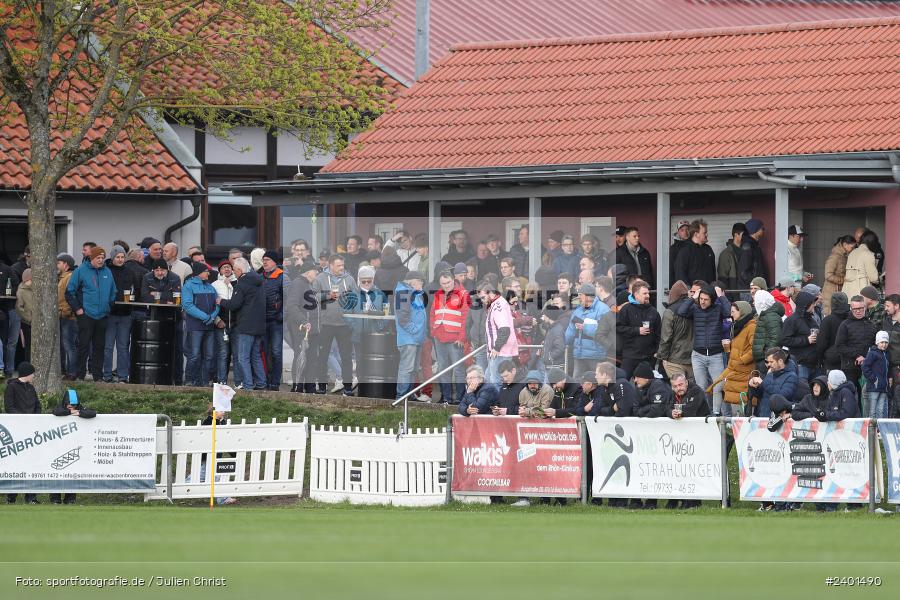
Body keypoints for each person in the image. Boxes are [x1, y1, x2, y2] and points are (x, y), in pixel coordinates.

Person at [675, 283, 731, 413]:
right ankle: (705, 414)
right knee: (701, 388)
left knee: (718, 387)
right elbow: (681, 311)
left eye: (706, 300)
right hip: (698, 354)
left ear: (712, 300)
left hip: (716, 354)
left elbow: (728, 312)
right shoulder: (695, 308)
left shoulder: (718, 308)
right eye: (701, 299)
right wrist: (692, 298)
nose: (703, 302)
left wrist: (721, 296)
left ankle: (717, 415)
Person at [65, 246, 116, 382]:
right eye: (97, 258)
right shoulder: (81, 270)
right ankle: (80, 375)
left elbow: (113, 292)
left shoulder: (107, 272)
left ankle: (97, 376)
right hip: (86, 314)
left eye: (102, 258)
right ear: (91, 258)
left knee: (100, 347)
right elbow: (70, 292)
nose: (100, 260)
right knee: (83, 346)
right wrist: (78, 310)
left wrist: (108, 307)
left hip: (102, 315)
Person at [311, 255, 358, 396]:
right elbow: (312, 297)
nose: (342, 268)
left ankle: (348, 388)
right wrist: (327, 295)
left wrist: (353, 317)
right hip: (326, 324)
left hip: (345, 324)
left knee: (346, 357)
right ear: (331, 265)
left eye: (342, 265)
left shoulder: (349, 279)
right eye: (339, 266)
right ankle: (322, 387)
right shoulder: (320, 278)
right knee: (323, 357)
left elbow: (356, 298)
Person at [219, 257, 267, 390]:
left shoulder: (242, 284)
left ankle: (248, 386)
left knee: (242, 357)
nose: (233, 272)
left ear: (240, 270)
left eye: (234, 270)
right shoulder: (259, 281)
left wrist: (220, 301)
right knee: (256, 356)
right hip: (259, 325)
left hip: (246, 326)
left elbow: (234, 304)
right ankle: (262, 384)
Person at [48, 388, 96, 505]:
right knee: (57, 474)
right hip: (58, 446)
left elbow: (92, 413)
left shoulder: (79, 409)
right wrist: (71, 413)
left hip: (73, 446)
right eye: (69, 405)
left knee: (73, 474)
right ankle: (55, 498)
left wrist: (78, 412)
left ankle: (70, 498)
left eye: (73, 405)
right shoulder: (60, 408)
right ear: (65, 403)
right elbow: (57, 412)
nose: (71, 406)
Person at [707, 300, 756, 416]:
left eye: (733, 312)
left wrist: (742, 360)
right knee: (717, 387)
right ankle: (717, 415)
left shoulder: (751, 327)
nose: (731, 314)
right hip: (733, 367)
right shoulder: (737, 326)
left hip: (743, 370)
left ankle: (729, 419)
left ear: (742, 312)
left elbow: (754, 349)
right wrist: (728, 347)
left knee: (739, 398)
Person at [4, 362, 41, 504]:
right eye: (32, 374)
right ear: (27, 374)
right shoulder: (11, 387)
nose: (33, 376)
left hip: (32, 433)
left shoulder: (31, 388)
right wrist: (23, 420)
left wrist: (35, 419)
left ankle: (31, 497)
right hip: (16, 432)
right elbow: (9, 407)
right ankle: (11, 496)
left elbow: (38, 405)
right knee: (16, 465)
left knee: (32, 465)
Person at [430, 271, 470, 404]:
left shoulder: (463, 294)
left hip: (455, 337)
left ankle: (460, 397)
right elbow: (433, 313)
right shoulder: (438, 294)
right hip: (439, 336)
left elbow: (466, 318)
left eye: (448, 282)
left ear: (453, 280)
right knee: (443, 368)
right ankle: (445, 397)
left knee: (458, 368)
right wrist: (433, 330)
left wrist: (462, 337)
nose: (446, 285)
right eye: (443, 283)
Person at [103, 246, 140, 383]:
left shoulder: (130, 272)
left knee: (123, 346)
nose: (120, 259)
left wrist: (133, 298)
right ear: (112, 258)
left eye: (122, 257)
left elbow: (136, 289)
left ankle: (123, 376)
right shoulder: (106, 271)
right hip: (110, 313)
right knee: (108, 346)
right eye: (117, 257)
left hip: (126, 313)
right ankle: (107, 375)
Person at [182, 262, 220, 388]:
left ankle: (204, 381)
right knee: (194, 355)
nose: (208, 273)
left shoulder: (210, 286)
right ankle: (189, 380)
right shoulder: (188, 286)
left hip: (209, 325)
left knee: (209, 355)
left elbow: (217, 303)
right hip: (195, 326)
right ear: (199, 273)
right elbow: (187, 305)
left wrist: (213, 316)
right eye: (206, 271)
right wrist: (206, 317)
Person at [284, 260, 320, 393]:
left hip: (314, 330)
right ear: (308, 271)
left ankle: (310, 388)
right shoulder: (298, 283)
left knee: (311, 359)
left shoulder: (310, 285)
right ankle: (297, 387)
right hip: (302, 330)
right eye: (315, 270)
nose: (317, 272)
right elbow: (292, 306)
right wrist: (303, 321)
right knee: (301, 357)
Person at [564, 283, 611, 376]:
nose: (578, 298)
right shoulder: (577, 311)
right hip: (579, 355)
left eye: (580, 295)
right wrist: (563, 342)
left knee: (597, 382)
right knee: (577, 382)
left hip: (596, 355)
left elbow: (605, 332)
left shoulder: (603, 309)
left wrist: (585, 327)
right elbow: (570, 332)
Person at [616, 281, 660, 378]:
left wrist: (657, 351)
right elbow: (618, 328)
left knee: (646, 386)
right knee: (622, 381)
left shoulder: (653, 312)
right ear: (636, 294)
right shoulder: (626, 309)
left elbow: (658, 334)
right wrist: (637, 330)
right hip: (631, 355)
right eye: (644, 293)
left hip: (648, 357)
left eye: (648, 293)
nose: (648, 295)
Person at [394, 271, 427, 400]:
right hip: (409, 339)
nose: (422, 284)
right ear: (412, 281)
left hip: (415, 338)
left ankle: (409, 395)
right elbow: (403, 318)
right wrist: (414, 330)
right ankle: (402, 396)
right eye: (421, 282)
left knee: (413, 369)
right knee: (406, 368)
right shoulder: (403, 292)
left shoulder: (413, 292)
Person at [835, 295, 876, 397]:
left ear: (865, 308)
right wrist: (857, 355)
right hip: (850, 367)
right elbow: (839, 346)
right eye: (855, 309)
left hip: (868, 367)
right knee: (851, 396)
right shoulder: (845, 325)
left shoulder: (871, 324)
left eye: (860, 308)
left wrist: (867, 357)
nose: (858, 311)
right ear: (851, 308)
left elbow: (875, 345)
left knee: (868, 397)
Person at [481, 281, 519, 384]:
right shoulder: (497, 303)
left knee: (495, 381)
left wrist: (496, 347)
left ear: (490, 293)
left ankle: (498, 400)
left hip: (500, 351)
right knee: (489, 379)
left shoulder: (498, 305)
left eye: (483, 297)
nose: (482, 301)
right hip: (499, 350)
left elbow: (504, 329)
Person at [779, 291, 819, 382]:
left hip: (814, 364)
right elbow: (784, 340)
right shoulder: (791, 320)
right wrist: (806, 340)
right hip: (800, 364)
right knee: (803, 391)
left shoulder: (811, 319)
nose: (814, 306)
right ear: (806, 305)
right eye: (812, 304)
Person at [658, 280, 694, 381]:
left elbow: (666, 338)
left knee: (678, 389)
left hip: (675, 359)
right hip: (694, 359)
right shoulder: (695, 308)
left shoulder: (670, 312)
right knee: (691, 390)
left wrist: (662, 358)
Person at [260, 250, 285, 391]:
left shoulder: (282, 277)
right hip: (263, 321)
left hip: (276, 321)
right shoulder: (260, 277)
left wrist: (281, 316)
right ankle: (267, 380)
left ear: (275, 262)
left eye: (268, 259)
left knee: (276, 351)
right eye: (264, 259)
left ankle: (275, 382)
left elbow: (288, 299)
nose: (265, 262)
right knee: (266, 352)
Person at [749, 348, 797, 417]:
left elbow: (782, 395)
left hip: (779, 421)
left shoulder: (792, 376)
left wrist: (762, 383)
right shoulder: (770, 374)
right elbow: (761, 395)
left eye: (771, 362)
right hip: (763, 417)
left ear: (780, 361)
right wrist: (753, 386)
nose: (769, 364)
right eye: (768, 362)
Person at [212, 260, 238, 386]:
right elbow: (211, 305)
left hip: (236, 323)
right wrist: (217, 320)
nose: (226, 269)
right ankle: (221, 381)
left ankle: (239, 382)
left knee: (237, 354)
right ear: (220, 271)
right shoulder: (215, 285)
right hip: (221, 323)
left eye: (229, 267)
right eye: (224, 268)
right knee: (223, 353)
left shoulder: (238, 282)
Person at [674, 219, 716, 286]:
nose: (707, 235)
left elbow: (713, 273)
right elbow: (680, 275)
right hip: (692, 294)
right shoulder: (685, 251)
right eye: (704, 233)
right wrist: (689, 292)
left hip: (708, 293)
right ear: (696, 234)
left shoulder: (708, 249)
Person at [816, 292, 849, 375]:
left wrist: (819, 360)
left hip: (831, 362)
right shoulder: (851, 319)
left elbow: (821, 344)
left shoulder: (827, 321)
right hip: (849, 360)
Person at [56, 254, 78, 381]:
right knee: (64, 345)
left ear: (66, 264)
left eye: (58, 263)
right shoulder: (61, 277)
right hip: (62, 315)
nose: (57, 265)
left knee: (69, 345)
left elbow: (70, 296)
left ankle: (71, 372)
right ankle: (64, 370)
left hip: (68, 317)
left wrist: (66, 312)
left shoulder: (69, 277)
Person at [822, 235, 855, 315]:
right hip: (830, 293)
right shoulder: (835, 256)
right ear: (845, 245)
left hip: (838, 291)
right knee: (829, 316)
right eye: (851, 247)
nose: (852, 250)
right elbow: (828, 275)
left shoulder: (843, 256)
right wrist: (843, 280)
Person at [751, 290, 784, 372]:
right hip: (763, 359)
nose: (754, 303)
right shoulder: (766, 315)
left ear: (762, 302)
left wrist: (767, 358)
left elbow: (776, 339)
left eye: (756, 301)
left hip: (766, 361)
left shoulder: (771, 316)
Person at [843, 230, 880, 298]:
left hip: (847, 292)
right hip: (861, 293)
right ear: (872, 243)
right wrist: (880, 279)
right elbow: (874, 278)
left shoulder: (852, 253)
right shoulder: (868, 254)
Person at [863, 331, 890, 419]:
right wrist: (874, 379)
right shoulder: (873, 353)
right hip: (874, 387)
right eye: (882, 342)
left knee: (880, 410)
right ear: (877, 342)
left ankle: (879, 429)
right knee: (873, 410)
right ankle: (872, 429)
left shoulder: (885, 355)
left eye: (886, 342)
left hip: (883, 387)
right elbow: (865, 367)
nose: (884, 344)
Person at [738, 218, 767, 291]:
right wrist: (754, 285)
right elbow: (743, 272)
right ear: (755, 230)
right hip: (749, 290)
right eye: (762, 228)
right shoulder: (747, 246)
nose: (763, 230)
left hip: (755, 288)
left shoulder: (754, 245)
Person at [717, 223, 746, 296]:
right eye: (744, 234)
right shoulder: (726, 254)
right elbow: (722, 279)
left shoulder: (747, 251)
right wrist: (729, 297)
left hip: (746, 292)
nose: (746, 237)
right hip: (733, 295)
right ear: (736, 235)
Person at [14, 268, 33, 362]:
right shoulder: (21, 291)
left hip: (35, 322)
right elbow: (19, 308)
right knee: (28, 345)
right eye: (31, 280)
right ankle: (28, 364)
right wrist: (29, 319)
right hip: (27, 323)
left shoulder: (34, 290)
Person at [669, 220, 691, 285]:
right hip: (679, 284)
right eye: (682, 230)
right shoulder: (673, 249)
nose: (685, 232)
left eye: (687, 229)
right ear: (678, 232)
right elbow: (671, 269)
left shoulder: (695, 246)